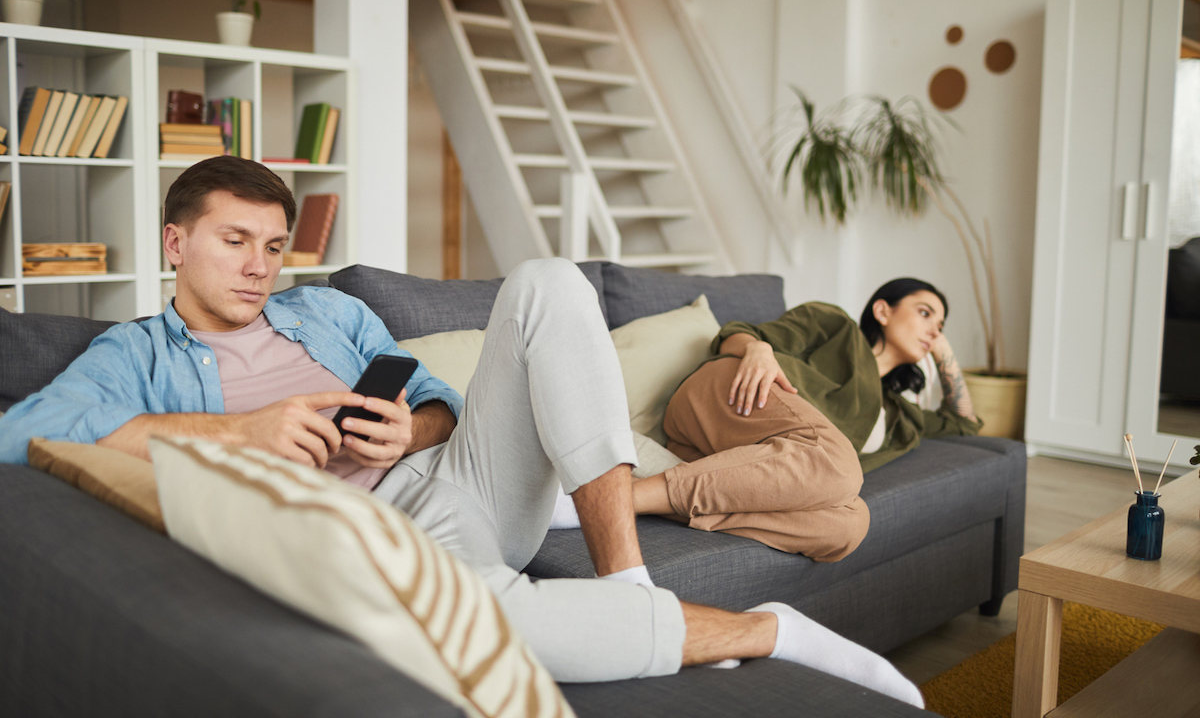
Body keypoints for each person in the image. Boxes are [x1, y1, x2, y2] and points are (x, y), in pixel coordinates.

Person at [0, 157, 923, 707]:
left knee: (550, 281)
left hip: (449, 479)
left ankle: (625, 575)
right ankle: (767, 632)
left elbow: (444, 402)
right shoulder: (133, 355)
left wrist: (408, 428)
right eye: (234, 241)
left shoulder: (325, 313)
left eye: (273, 246)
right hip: (361, 538)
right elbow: (21, 439)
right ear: (176, 244)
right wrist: (242, 433)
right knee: (484, 626)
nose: (257, 267)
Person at [621, 278, 982, 560]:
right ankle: (619, 500)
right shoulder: (837, 326)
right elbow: (734, 335)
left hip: (732, 464)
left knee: (850, 524)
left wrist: (944, 354)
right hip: (729, 397)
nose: (935, 329)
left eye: (941, 324)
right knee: (841, 463)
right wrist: (757, 349)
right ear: (883, 311)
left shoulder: (901, 417)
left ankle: (665, 500)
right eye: (925, 313)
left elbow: (964, 423)